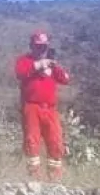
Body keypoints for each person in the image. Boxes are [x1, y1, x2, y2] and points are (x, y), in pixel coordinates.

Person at [14, 31, 70, 181]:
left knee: (56, 141)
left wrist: (54, 66)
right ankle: (34, 177)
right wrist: (38, 65)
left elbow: (65, 79)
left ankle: (55, 178)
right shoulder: (24, 60)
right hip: (32, 107)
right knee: (32, 141)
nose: (41, 49)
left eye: (44, 46)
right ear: (32, 46)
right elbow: (20, 73)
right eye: (38, 46)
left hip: (50, 109)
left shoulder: (52, 63)